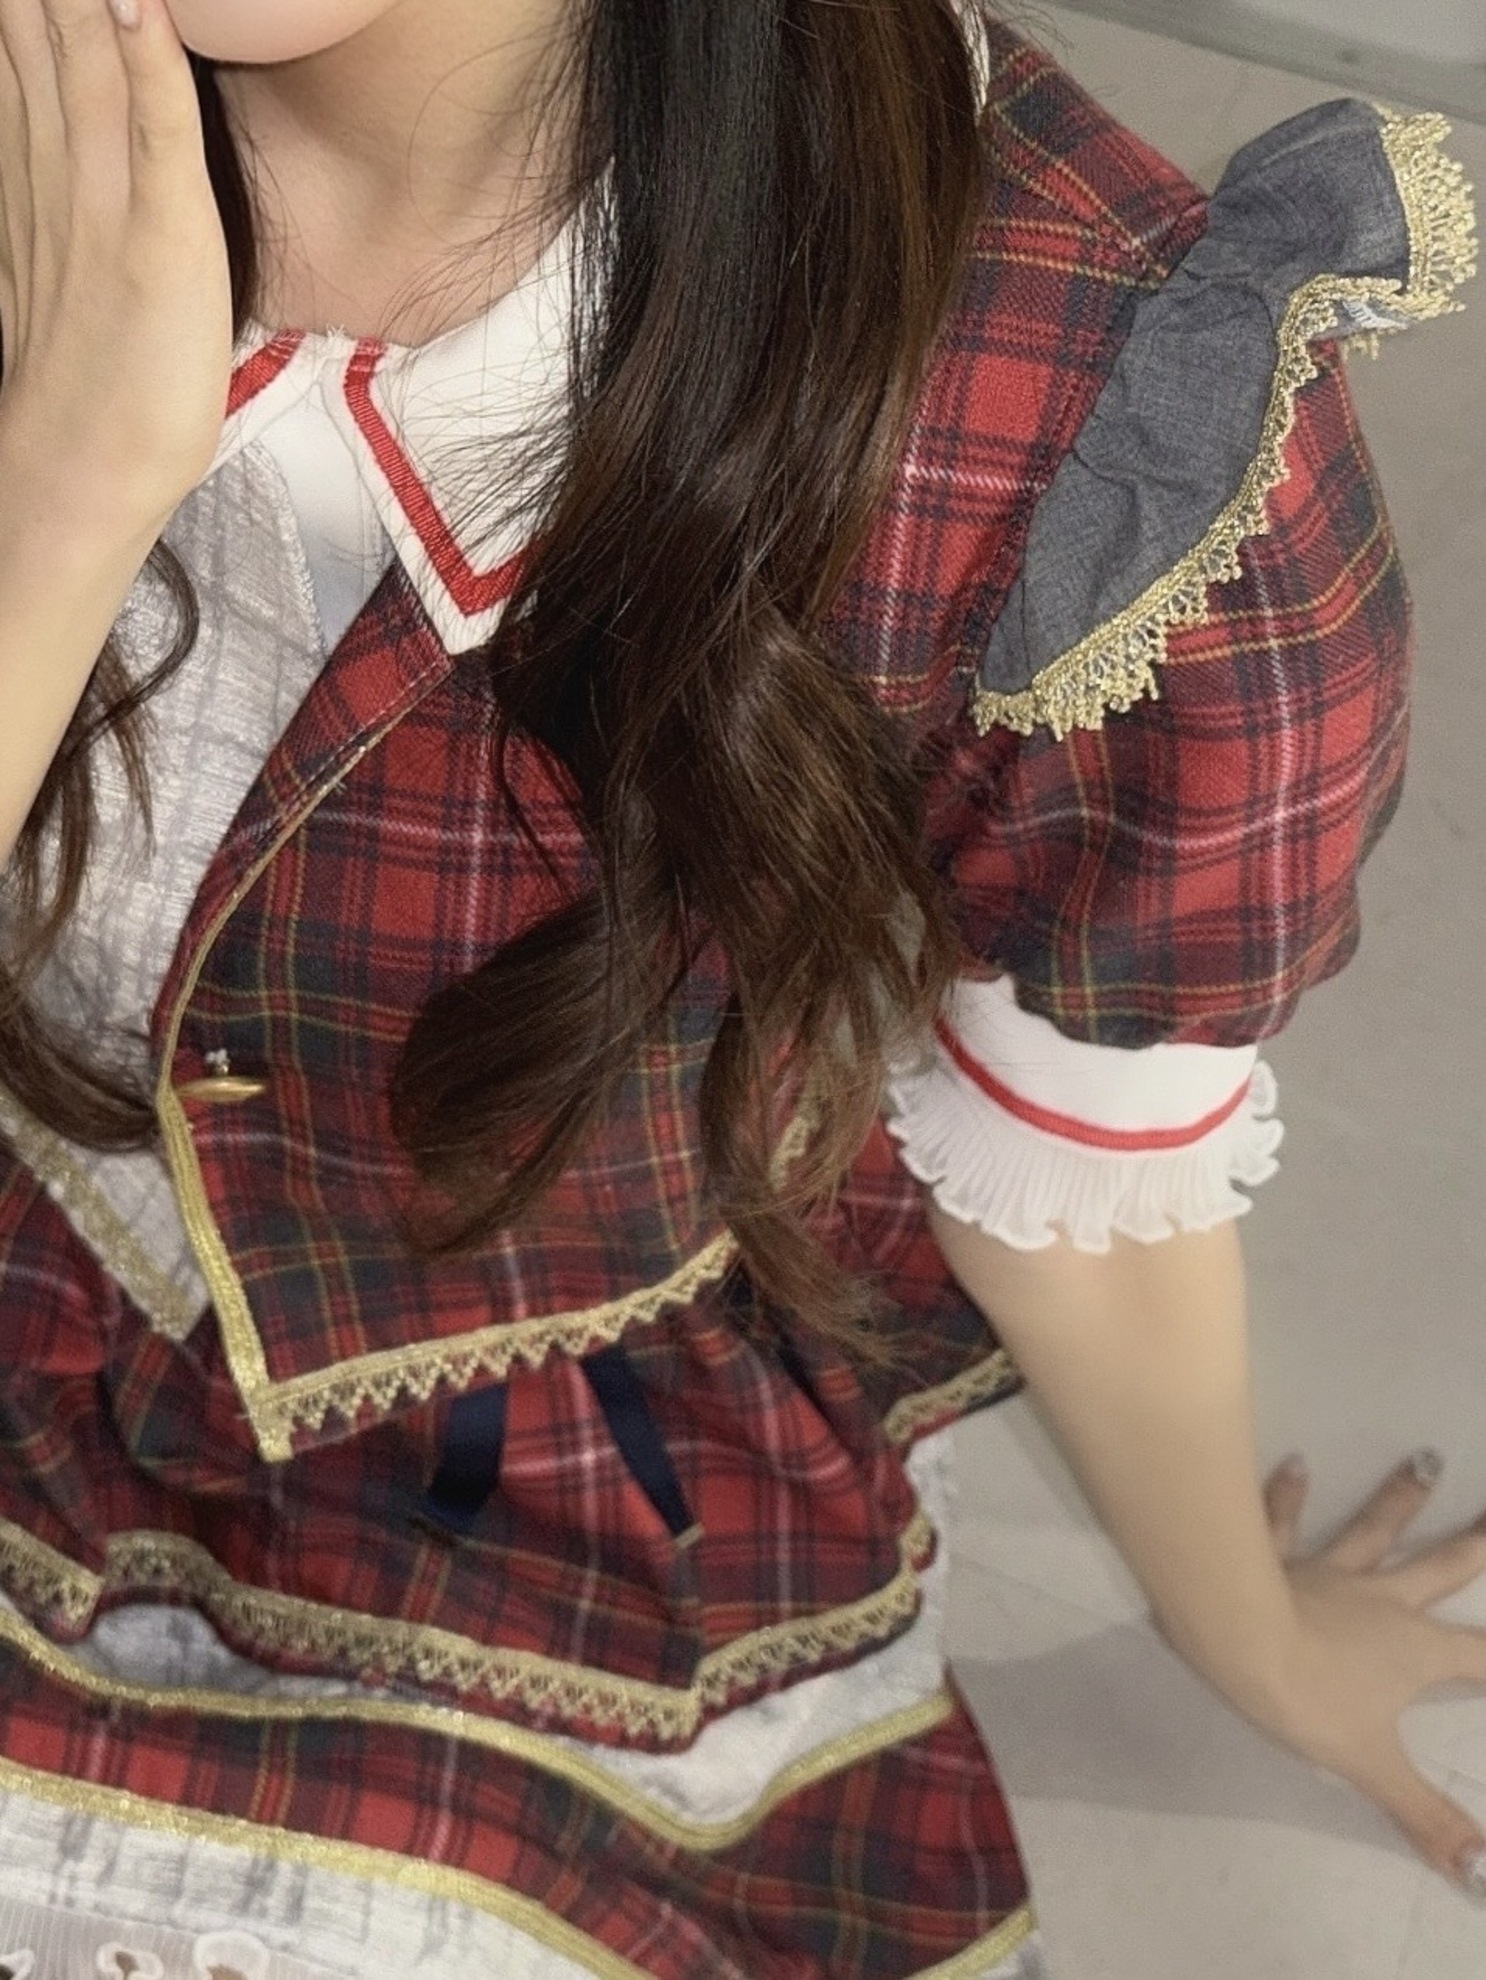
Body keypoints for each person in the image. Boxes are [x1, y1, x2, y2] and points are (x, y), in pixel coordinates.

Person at [0, 0, 1477, 1972]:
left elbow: (1090, 1178)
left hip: (530, 1437)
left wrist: (1247, 1632)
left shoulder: (1071, 410)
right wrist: (60, 501)